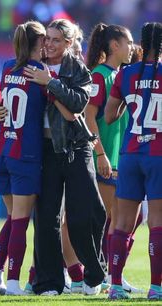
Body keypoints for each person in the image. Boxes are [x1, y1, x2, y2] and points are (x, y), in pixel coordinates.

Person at [24, 18, 106, 296]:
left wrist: (51, 83)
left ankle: (94, 274)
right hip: (44, 151)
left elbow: (78, 104)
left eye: (56, 39)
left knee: (84, 214)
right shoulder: (34, 67)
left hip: (75, 148)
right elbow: (17, 98)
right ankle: (49, 283)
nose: (48, 43)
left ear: (69, 44)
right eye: (47, 38)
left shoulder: (79, 70)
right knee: (46, 218)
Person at [0, 20, 47, 295]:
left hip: (1, 150)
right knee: (21, 220)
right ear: (40, 43)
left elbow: (2, 105)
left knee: (13, 217)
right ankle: (13, 282)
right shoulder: (41, 72)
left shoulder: (7, 67)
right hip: (25, 153)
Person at [105, 22, 162, 300]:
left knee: (122, 223)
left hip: (129, 154)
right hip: (158, 155)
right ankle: (156, 288)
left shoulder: (126, 74)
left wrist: (130, 104)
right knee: (158, 224)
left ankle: (115, 286)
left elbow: (108, 116)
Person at [85, 23, 143, 293]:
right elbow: (88, 117)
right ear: (114, 46)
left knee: (133, 218)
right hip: (107, 157)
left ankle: (113, 273)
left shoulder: (123, 76)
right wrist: (100, 154)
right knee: (116, 217)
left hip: (123, 158)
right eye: (128, 42)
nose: (132, 47)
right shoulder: (100, 76)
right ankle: (109, 275)